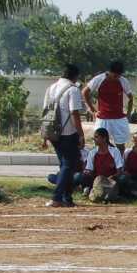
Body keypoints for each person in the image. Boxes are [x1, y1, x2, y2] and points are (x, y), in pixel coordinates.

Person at [42, 64, 85, 208]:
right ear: (75, 76)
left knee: (65, 165)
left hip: (53, 133)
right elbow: (75, 113)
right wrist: (80, 134)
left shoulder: (51, 88)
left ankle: (67, 197)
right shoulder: (72, 90)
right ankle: (57, 197)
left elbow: (45, 113)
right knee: (68, 165)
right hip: (68, 132)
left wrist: (45, 136)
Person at [82, 61, 133, 156]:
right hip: (103, 118)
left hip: (119, 118)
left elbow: (131, 97)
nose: (116, 78)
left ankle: (120, 164)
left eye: (119, 76)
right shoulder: (99, 79)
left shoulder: (123, 81)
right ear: (109, 72)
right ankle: (101, 166)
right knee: (99, 144)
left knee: (121, 146)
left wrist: (129, 113)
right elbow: (85, 92)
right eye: (115, 76)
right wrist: (92, 110)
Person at [83, 127, 123, 203]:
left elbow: (119, 170)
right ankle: (90, 190)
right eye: (94, 137)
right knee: (83, 176)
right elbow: (90, 170)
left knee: (123, 179)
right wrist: (87, 173)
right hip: (96, 180)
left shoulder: (114, 151)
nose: (94, 139)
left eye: (96, 137)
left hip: (111, 180)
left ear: (104, 138)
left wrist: (112, 177)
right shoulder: (92, 152)